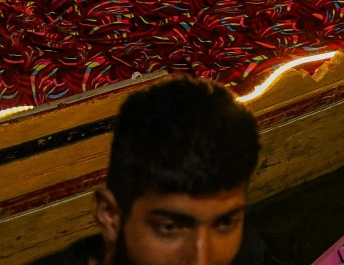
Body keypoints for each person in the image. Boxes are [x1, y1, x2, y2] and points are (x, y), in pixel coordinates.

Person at [33, 75, 267, 265]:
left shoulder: (248, 253)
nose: (201, 259)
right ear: (110, 215)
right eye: (169, 228)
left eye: (225, 223)